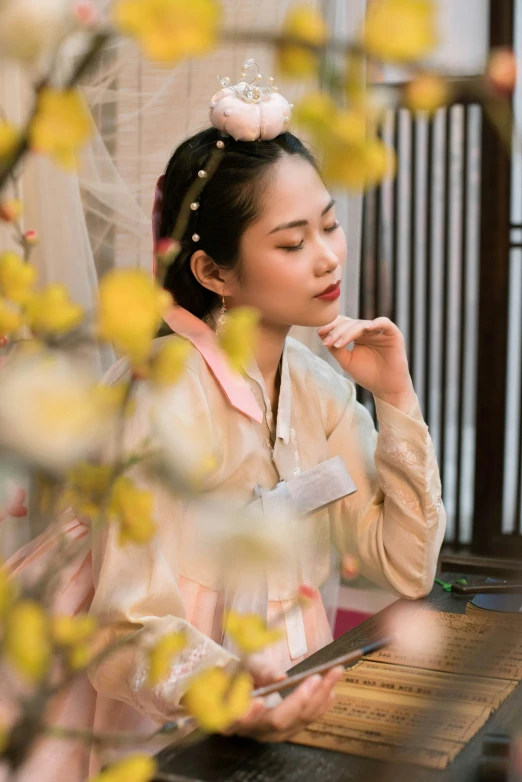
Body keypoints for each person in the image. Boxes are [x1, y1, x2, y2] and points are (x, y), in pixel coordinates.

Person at [3, 65, 446, 780]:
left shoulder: (320, 389)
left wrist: (396, 398)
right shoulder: (160, 398)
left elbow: (406, 566)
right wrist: (229, 694)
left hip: (273, 703)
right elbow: (124, 628)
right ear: (213, 273)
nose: (329, 256)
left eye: (329, 224)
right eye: (292, 241)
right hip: (144, 720)